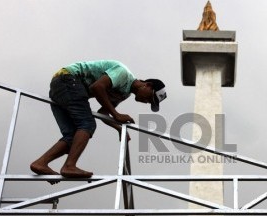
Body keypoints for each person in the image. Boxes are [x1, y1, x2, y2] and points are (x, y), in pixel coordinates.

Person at [30, 60, 167, 180]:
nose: (147, 102)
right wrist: (117, 114)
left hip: (63, 88)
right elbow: (97, 87)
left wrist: (118, 128)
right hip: (67, 79)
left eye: (150, 103)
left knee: (73, 136)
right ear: (147, 85)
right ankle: (69, 166)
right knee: (87, 124)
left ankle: (40, 163)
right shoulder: (123, 74)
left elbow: (102, 113)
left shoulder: (123, 94)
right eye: (150, 98)